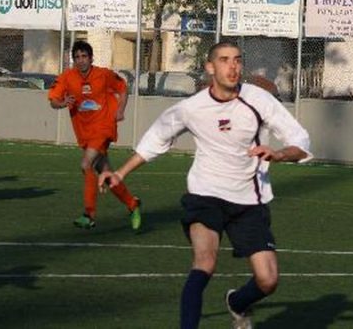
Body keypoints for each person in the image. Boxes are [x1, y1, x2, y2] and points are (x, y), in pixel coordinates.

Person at [99, 42, 311, 329]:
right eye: (224, 60)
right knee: (205, 262)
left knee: (268, 280)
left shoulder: (258, 100)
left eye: (237, 60)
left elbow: (299, 140)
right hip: (205, 195)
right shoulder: (191, 108)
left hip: (250, 200)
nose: (232, 66)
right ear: (210, 68)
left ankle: (237, 303)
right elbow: (156, 140)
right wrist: (121, 173)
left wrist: (280, 154)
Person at [48, 40, 140, 230]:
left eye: (84, 56)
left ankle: (89, 214)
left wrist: (120, 110)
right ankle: (132, 204)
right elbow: (53, 101)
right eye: (77, 57)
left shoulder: (103, 74)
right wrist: (63, 102)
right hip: (84, 133)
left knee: (86, 164)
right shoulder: (67, 77)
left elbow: (123, 88)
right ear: (73, 60)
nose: (81, 60)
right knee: (106, 174)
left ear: (91, 58)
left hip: (103, 127)